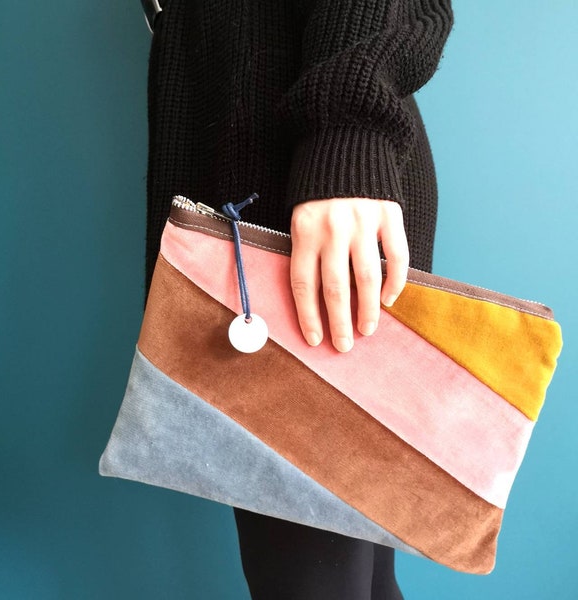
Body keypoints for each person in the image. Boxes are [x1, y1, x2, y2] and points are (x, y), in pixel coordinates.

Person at [142, 1, 453, 598]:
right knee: (352, 574)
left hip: (312, 196)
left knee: (316, 578)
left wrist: (348, 144)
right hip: (263, 190)